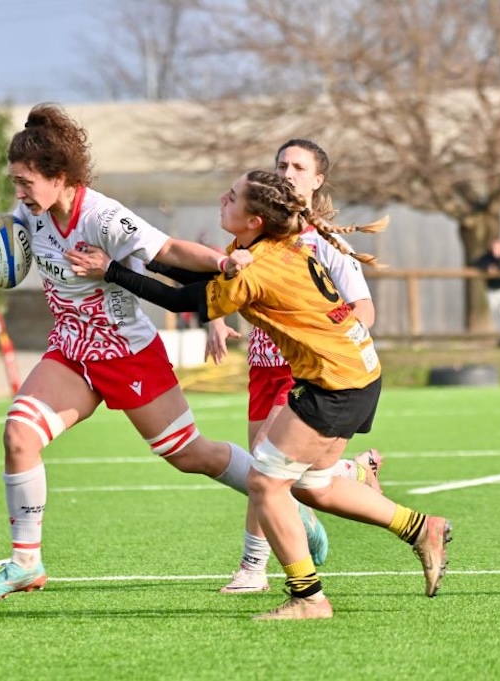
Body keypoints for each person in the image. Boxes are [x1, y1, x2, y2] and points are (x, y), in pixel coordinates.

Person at [0, 103, 327, 600]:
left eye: (25, 182)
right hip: (71, 352)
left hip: (128, 354)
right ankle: (26, 563)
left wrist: (224, 260)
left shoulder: (103, 216)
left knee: (190, 455)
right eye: (15, 183)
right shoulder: (30, 212)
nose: (18, 193)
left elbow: (169, 250)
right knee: (19, 435)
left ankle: (287, 504)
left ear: (59, 177)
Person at [67, 169, 452, 620]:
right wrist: (135, 253)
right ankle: (421, 528)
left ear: (254, 220)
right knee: (313, 485)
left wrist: (111, 270)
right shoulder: (258, 248)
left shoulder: (260, 267)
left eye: (231, 197)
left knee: (265, 483)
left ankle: (308, 598)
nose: (221, 199)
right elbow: (188, 270)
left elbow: (182, 301)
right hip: (355, 373)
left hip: (335, 382)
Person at [150, 139, 386, 595]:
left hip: (310, 371)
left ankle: (254, 567)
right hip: (263, 363)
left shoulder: (323, 243)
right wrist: (216, 321)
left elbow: (364, 311)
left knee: (266, 466)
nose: (290, 171)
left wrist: (329, 339)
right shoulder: (256, 235)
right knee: (273, 473)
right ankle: (352, 474)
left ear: (318, 181)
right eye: (282, 164)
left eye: (300, 166)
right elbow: (218, 282)